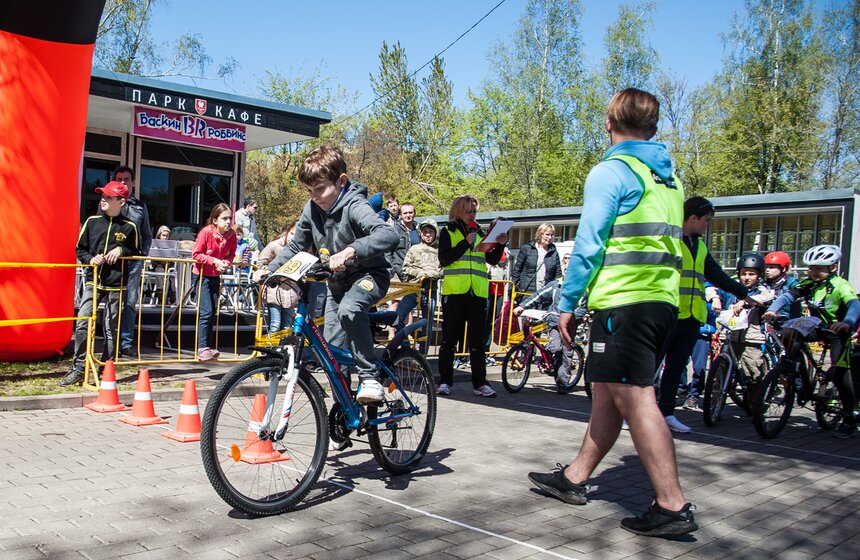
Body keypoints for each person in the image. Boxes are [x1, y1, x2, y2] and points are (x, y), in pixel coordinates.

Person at [527, 88, 697, 537]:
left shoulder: (612, 171)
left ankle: (672, 505)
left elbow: (589, 245)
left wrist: (566, 304)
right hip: (660, 302)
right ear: (653, 127)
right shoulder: (670, 180)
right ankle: (575, 478)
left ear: (609, 123)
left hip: (623, 301)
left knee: (637, 397)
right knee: (607, 391)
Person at [263, 144, 399, 405]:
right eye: (310, 191)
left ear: (341, 181)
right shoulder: (312, 209)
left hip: (369, 276)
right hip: (337, 286)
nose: (315, 196)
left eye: (321, 188)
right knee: (331, 354)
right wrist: (268, 270)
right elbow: (295, 245)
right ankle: (344, 413)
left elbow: (389, 235)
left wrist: (350, 251)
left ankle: (370, 377)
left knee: (350, 310)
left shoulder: (354, 205)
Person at [657, 197, 753, 433]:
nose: (708, 225)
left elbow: (717, 275)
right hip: (667, 314)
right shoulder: (669, 241)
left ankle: (666, 414)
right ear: (693, 218)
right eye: (707, 220)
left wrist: (743, 293)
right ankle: (635, 415)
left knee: (675, 369)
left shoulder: (700, 247)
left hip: (691, 317)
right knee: (649, 368)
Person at [763, 244, 860, 438]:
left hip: (837, 330)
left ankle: (849, 418)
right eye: (811, 268)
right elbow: (788, 297)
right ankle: (797, 373)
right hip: (816, 327)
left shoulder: (840, 285)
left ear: (832, 268)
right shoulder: (808, 284)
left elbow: (854, 304)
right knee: (790, 331)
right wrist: (773, 309)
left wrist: (847, 322)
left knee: (840, 373)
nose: (813, 272)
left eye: (819, 268)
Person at [60, 181, 140, 386]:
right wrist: (90, 259)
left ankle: (107, 368)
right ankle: (79, 367)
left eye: (108, 197)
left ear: (121, 202)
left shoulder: (130, 227)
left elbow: (137, 251)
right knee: (83, 322)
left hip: (116, 284)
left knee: (111, 328)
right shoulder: (92, 222)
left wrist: (121, 250)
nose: (103, 200)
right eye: (102, 196)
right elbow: (80, 249)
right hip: (92, 281)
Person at [436, 195, 507, 398]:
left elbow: (491, 258)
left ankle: (480, 383)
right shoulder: (448, 231)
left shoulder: (481, 232)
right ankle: (445, 381)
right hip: (455, 292)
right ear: (459, 211)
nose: (472, 215)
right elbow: (444, 259)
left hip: (477, 292)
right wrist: (465, 243)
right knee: (449, 340)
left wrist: (500, 244)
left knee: (477, 342)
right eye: (469, 211)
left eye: (474, 211)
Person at [717, 253, 774, 398]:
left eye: (751, 274)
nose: (746, 277)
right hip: (729, 335)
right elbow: (712, 288)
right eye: (743, 274)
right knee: (720, 371)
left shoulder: (763, 289)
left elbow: (765, 298)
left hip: (751, 338)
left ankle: (756, 404)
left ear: (759, 275)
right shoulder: (731, 286)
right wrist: (715, 298)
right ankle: (715, 404)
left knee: (753, 373)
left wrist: (745, 300)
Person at [513, 263, 575, 393]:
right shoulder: (555, 286)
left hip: (570, 325)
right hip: (554, 323)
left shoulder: (579, 287)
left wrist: (574, 316)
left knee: (566, 353)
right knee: (554, 347)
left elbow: (583, 305)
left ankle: (563, 383)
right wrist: (522, 306)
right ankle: (551, 361)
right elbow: (538, 296)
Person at [113, 166, 152, 357]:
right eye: (119, 179)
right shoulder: (109, 202)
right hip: (111, 262)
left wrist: (142, 256)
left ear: (133, 182)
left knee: (129, 303)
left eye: (126, 179)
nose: (122, 183)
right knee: (112, 302)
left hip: (133, 262)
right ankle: (110, 343)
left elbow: (147, 235)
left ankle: (126, 343)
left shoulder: (140, 206)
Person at [191, 203, 237, 361]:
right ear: (215, 220)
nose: (228, 222)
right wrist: (214, 261)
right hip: (202, 274)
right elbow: (196, 254)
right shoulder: (206, 232)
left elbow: (231, 254)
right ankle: (201, 347)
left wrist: (226, 262)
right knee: (206, 311)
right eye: (224, 218)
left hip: (215, 275)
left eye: (230, 218)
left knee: (213, 312)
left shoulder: (232, 235)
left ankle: (207, 347)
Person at [401, 218, 443, 348]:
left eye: (431, 231)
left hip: (430, 291)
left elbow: (444, 270)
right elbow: (405, 267)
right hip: (413, 289)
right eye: (425, 231)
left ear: (435, 233)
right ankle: (405, 347)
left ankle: (422, 355)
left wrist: (432, 274)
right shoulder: (414, 249)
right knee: (398, 316)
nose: (428, 234)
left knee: (427, 325)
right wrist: (418, 273)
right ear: (421, 233)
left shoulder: (440, 250)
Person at [256, 222, 301, 334]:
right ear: (288, 231)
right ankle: (271, 349)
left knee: (288, 326)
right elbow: (260, 263)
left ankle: (284, 349)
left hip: (290, 291)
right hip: (274, 289)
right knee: (275, 324)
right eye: (291, 233)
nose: (293, 238)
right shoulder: (274, 245)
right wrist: (272, 272)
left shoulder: (300, 248)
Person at [511, 223, 561, 296]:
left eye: (552, 235)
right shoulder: (527, 248)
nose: (550, 237)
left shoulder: (554, 253)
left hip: (545, 294)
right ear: (540, 234)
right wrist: (515, 288)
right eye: (547, 234)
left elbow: (558, 273)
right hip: (526, 292)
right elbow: (517, 270)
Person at [763, 251, 801, 319]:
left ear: (783, 269)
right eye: (766, 267)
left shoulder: (792, 283)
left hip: (788, 322)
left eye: (771, 267)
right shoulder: (763, 284)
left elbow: (798, 295)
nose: (767, 270)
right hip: (767, 321)